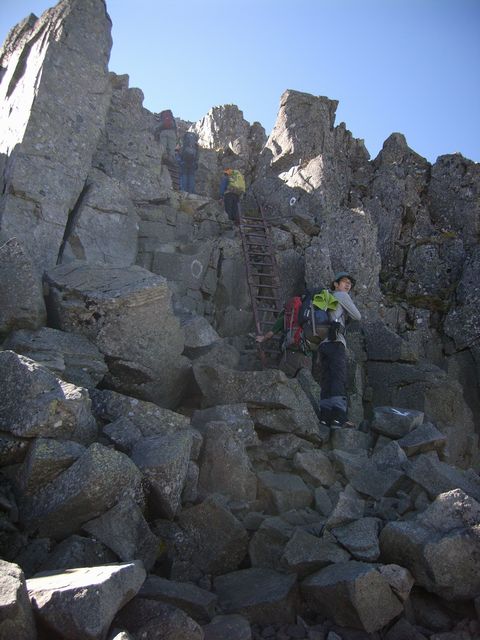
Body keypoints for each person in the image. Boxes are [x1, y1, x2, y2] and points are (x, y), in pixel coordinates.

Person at [315, 271, 361, 428]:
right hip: (336, 342)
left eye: (350, 283)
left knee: (327, 378)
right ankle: (338, 417)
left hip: (322, 343)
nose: (348, 285)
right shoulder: (341, 296)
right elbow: (357, 316)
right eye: (344, 282)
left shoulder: (325, 298)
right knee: (338, 377)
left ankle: (325, 416)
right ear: (336, 284)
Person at [256, 300, 312, 378]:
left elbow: (270, 334)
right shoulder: (307, 317)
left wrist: (262, 339)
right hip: (307, 354)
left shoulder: (285, 318)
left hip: (290, 354)